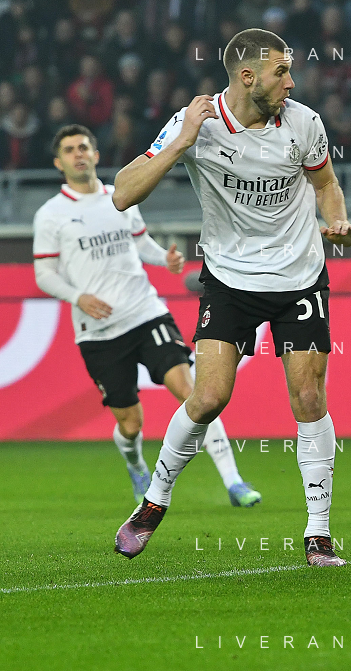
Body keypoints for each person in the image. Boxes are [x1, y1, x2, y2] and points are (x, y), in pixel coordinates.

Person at [110, 28, 351, 567]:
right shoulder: (195, 123)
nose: (291, 83)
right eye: (281, 72)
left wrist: (336, 220)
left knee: (309, 397)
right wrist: (181, 142)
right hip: (229, 280)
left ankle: (318, 534)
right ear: (248, 77)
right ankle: (154, 503)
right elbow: (123, 194)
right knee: (208, 398)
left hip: (299, 278)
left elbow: (325, 184)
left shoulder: (304, 122)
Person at [33, 124, 260, 507]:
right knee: (130, 422)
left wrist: (163, 259)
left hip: (146, 313)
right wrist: (78, 297)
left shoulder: (119, 197)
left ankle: (234, 481)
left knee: (195, 392)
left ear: (96, 154)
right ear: (59, 163)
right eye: (69, 150)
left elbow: (139, 243)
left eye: (84, 147)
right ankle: (136, 463)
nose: (78, 154)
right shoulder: (51, 215)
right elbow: (44, 274)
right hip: (99, 331)